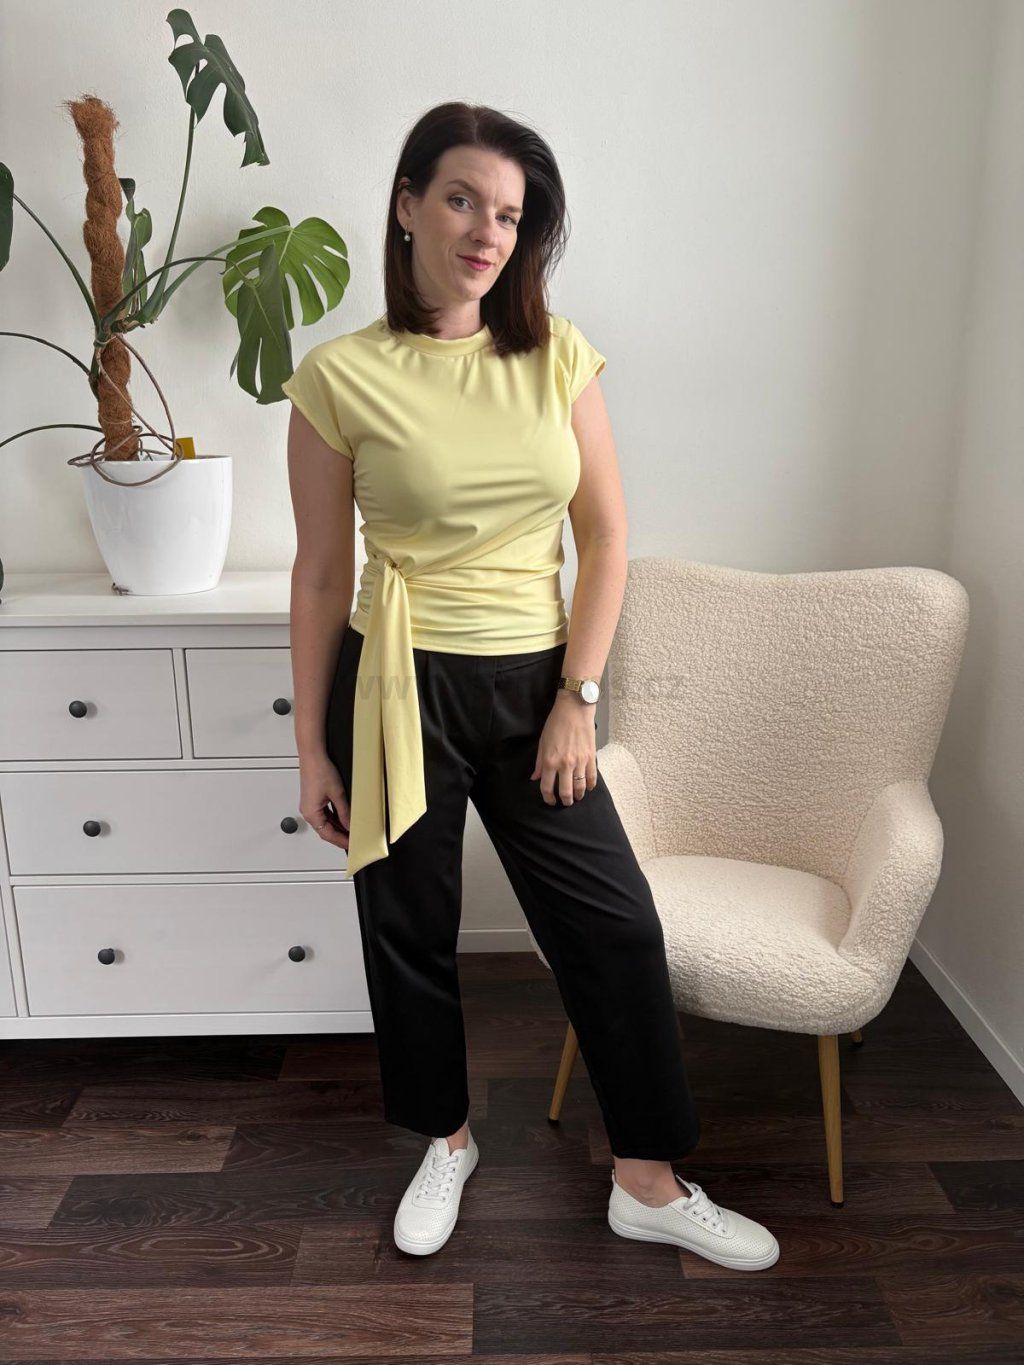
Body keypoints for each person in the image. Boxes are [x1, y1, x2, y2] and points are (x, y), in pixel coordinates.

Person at [282, 102, 779, 1272]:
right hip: (395, 682)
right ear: (407, 204)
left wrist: (577, 698)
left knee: (615, 928)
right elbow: (320, 576)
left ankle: (647, 1183)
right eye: (462, 200)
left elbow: (604, 539)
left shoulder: (556, 354)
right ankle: (445, 1142)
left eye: (508, 215)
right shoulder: (338, 376)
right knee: (409, 930)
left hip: (535, 685)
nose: (485, 232)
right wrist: (311, 748)